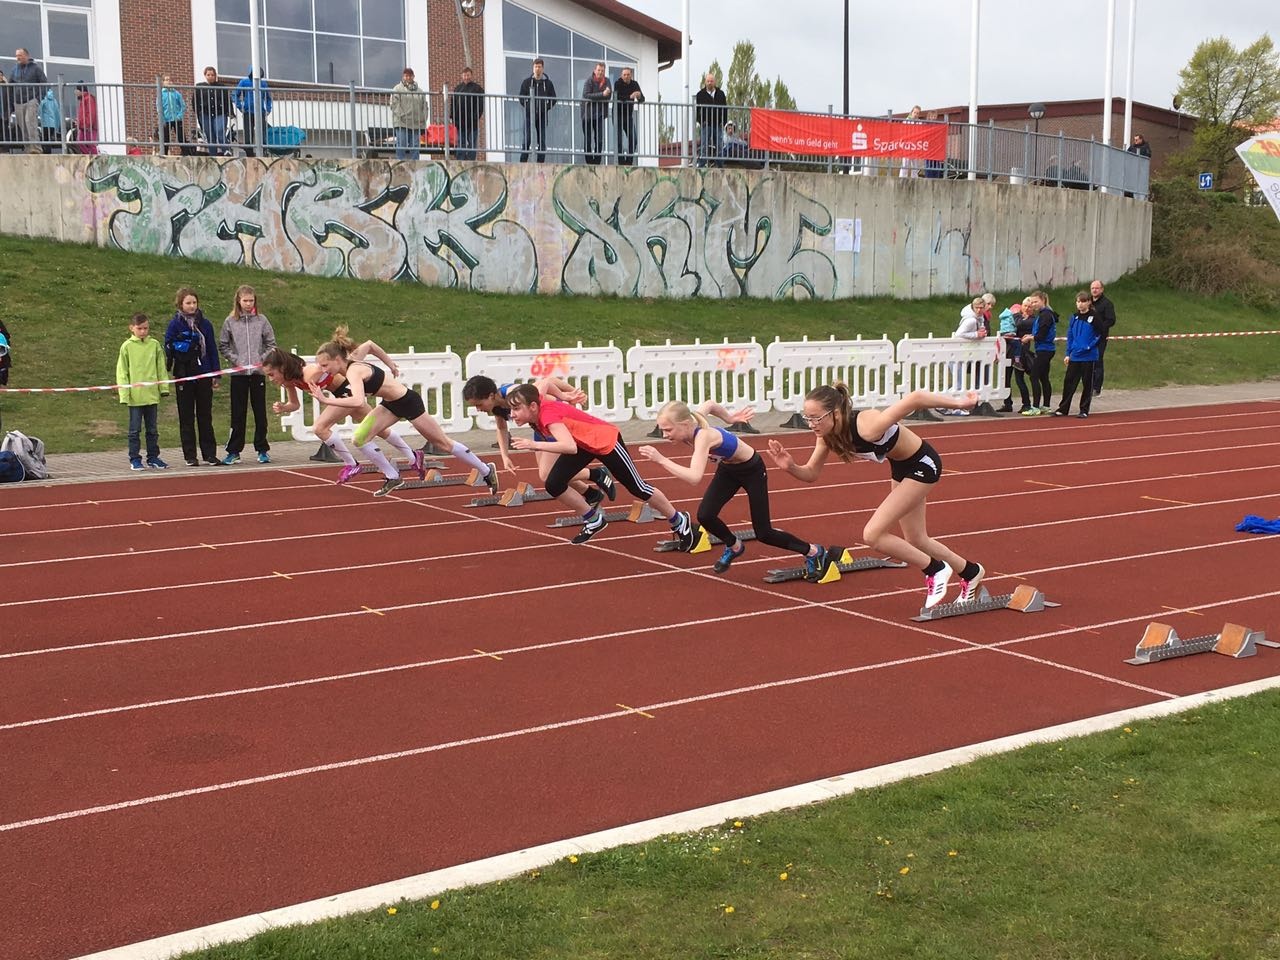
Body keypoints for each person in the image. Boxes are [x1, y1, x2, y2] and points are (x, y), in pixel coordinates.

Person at [766, 384, 986, 608]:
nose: (812, 424)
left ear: (835, 413)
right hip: (902, 469)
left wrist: (961, 403)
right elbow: (811, 473)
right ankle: (971, 572)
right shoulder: (827, 435)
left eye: (816, 418)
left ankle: (935, 569)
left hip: (923, 464)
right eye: (807, 418)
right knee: (917, 539)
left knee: (873, 534)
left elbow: (916, 398)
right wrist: (790, 466)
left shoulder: (867, 425)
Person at [639, 401, 829, 577]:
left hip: (752, 470)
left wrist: (661, 459)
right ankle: (734, 545)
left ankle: (813, 551)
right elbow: (710, 404)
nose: (664, 435)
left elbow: (694, 477)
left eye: (668, 430)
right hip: (728, 470)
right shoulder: (695, 417)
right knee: (705, 515)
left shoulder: (703, 436)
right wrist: (730, 419)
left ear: (685, 424)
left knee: (764, 533)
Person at [504, 383, 693, 547]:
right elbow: (545, 382)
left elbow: (568, 446)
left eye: (516, 409)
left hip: (605, 442)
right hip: (584, 444)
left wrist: (533, 444)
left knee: (638, 488)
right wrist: (565, 396)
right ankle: (593, 520)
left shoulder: (548, 417)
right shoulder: (535, 398)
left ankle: (679, 520)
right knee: (554, 483)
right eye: (510, 410)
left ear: (534, 406)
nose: (512, 415)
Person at [309, 336, 499, 498]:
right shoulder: (352, 360)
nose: (324, 370)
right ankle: (393, 477)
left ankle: (486, 470)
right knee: (359, 438)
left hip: (408, 402)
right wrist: (390, 364)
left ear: (337, 359)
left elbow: (358, 401)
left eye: (325, 365)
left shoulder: (353, 371)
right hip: (390, 405)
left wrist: (326, 401)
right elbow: (370, 345)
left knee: (443, 444)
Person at [262, 341, 421, 484]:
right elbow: (294, 405)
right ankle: (413, 457)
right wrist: (284, 407)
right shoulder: (289, 382)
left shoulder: (309, 372)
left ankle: (352, 464)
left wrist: (342, 360)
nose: (270, 379)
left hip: (349, 392)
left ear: (283, 368)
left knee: (320, 427)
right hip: (343, 394)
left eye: (271, 374)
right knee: (378, 428)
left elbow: (324, 366)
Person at [461, 374, 611, 504]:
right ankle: (591, 494)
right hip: (539, 429)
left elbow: (547, 381)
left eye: (479, 404)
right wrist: (505, 456)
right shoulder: (496, 407)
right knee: (547, 473)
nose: (478, 409)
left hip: (552, 424)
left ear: (491, 396)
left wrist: (567, 395)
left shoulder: (514, 393)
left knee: (547, 475)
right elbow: (501, 429)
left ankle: (596, 474)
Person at [218, 285, 276, 464]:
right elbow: (223, 345)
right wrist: (237, 360)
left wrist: (261, 359)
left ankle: (262, 449)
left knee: (260, 413)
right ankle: (234, 450)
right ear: (238, 301)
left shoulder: (262, 320)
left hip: (258, 373)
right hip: (239, 375)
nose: (249, 304)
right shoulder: (230, 321)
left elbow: (271, 344)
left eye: (251, 300)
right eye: (245, 301)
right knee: (238, 414)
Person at [164, 287, 222, 466]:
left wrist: (215, 373)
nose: (191, 306)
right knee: (186, 416)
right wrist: (182, 345)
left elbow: (212, 349)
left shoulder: (206, 324)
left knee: (205, 415)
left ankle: (210, 454)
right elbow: (168, 345)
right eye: (188, 303)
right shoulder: (175, 324)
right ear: (180, 304)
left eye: (194, 302)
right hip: (184, 374)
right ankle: (190, 455)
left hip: (203, 373)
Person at [116, 313, 169, 471]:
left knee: (152, 430)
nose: (143, 331)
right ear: (132, 328)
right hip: (135, 397)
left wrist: (163, 388)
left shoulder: (154, 345)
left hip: (151, 395)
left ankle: (153, 457)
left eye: (146, 328)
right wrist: (124, 394)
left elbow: (161, 367)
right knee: (134, 430)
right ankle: (135, 458)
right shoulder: (127, 346)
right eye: (140, 328)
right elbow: (122, 372)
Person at [1054, 291, 1101, 419]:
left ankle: (1084, 409)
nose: (1080, 304)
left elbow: (1099, 335)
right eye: (1078, 302)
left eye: (1083, 301)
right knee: (1069, 381)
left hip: (1088, 356)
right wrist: (1068, 353)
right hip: (1075, 355)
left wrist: (1088, 346)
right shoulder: (1074, 317)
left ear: (1088, 302)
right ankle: (1063, 408)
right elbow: (1070, 336)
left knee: (1087, 383)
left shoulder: (1094, 317)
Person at [1025, 290, 1058, 415]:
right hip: (1044, 348)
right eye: (1032, 302)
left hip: (1045, 349)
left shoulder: (1046, 315)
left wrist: (1030, 337)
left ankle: (1035, 406)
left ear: (1043, 301)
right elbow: (1039, 333)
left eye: (1036, 302)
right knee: (1044, 377)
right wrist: (1031, 335)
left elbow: (1042, 335)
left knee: (1034, 376)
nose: (1033, 304)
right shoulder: (1043, 314)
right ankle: (1046, 405)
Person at [10, 48, 47, 154]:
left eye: (20, 55)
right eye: (16, 55)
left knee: (30, 124)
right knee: (23, 126)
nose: (18, 57)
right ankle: (28, 149)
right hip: (18, 102)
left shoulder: (35, 68)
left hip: (31, 100)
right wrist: (12, 102)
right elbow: (10, 86)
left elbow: (44, 83)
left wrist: (38, 99)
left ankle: (36, 149)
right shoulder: (14, 70)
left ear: (26, 56)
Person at [518, 58, 555, 163]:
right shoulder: (527, 82)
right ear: (533, 68)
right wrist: (527, 105)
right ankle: (523, 162)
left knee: (541, 140)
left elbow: (554, 98)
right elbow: (521, 97)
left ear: (543, 68)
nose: (537, 69)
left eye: (539, 67)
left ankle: (540, 163)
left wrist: (546, 107)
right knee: (527, 139)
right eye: (535, 67)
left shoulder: (548, 83)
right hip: (529, 114)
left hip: (542, 115)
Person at [997, 301, 1030, 413]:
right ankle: (1007, 403)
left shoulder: (1029, 320)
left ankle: (1026, 404)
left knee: (1019, 379)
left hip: (1019, 354)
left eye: (1028, 306)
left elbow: (1019, 324)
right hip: (1009, 351)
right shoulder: (1016, 318)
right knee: (1006, 379)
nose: (1026, 308)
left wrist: (1016, 315)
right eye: (1025, 305)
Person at [194, 67, 233, 157]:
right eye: (208, 75)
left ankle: (226, 151)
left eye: (212, 75)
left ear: (215, 76)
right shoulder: (199, 86)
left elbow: (227, 99)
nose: (210, 77)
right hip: (205, 113)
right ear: (205, 75)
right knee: (210, 135)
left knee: (219, 131)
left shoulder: (221, 87)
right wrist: (198, 112)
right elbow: (195, 100)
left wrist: (230, 112)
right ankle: (213, 155)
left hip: (219, 112)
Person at [390, 67, 427, 161]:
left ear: (413, 76)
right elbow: (394, 104)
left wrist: (423, 118)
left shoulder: (420, 91)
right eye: (406, 76)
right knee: (401, 144)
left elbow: (425, 107)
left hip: (416, 123)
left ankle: (415, 164)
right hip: (402, 122)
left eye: (410, 76)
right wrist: (402, 115)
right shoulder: (397, 89)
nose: (408, 78)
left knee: (415, 145)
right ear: (403, 76)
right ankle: (400, 163)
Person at [234, 68, 272, 157]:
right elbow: (235, 94)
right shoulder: (244, 82)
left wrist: (268, 109)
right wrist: (240, 106)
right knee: (248, 137)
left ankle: (263, 154)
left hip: (260, 113)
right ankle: (250, 155)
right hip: (248, 112)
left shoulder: (263, 83)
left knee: (263, 136)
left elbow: (268, 98)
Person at [449, 66, 484, 160]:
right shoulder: (457, 89)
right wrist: (452, 116)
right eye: (464, 75)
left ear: (471, 76)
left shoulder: (477, 89)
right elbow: (453, 103)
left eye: (468, 75)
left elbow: (480, 104)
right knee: (461, 141)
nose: (466, 77)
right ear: (462, 76)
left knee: (472, 142)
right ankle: (461, 159)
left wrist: (476, 116)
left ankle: (471, 160)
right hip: (460, 121)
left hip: (472, 121)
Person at [1089, 279, 1116, 396]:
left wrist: (1100, 327)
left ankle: (1096, 387)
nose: (1094, 290)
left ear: (1102, 289)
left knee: (1098, 360)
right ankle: (1088, 385)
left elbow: (1111, 320)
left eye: (1097, 288)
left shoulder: (1107, 303)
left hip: (1100, 337)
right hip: (1087, 337)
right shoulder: (1088, 302)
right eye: (1092, 288)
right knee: (1088, 361)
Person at [580, 62, 610, 165]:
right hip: (587, 115)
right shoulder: (589, 81)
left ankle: (597, 162)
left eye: (602, 70)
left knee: (599, 140)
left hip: (600, 115)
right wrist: (602, 94)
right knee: (588, 140)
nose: (600, 72)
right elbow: (586, 95)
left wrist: (601, 95)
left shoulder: (607, 81)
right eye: (599, 70)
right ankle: (589, 162)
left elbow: (609, 96)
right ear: (594, 71)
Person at [694, 73, 727, 167]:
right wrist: (701, 121)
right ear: (705, 82)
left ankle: (720, 165)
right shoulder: (700, 95)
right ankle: (701, 165)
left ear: (715, 82)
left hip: (718, 124)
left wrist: (723, 122)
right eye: (708, 81)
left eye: (711, 81)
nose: (709, 83)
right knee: (704, 145)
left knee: (719, 145)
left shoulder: (721, 94)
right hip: (706, 124)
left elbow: (725, 109)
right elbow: (698, 110)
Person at [613, 66, 643, 165]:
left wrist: (639, 96)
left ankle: (629, 161)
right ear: (621, 76)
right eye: (624, 75)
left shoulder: (634, 84)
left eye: (628, 75)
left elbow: (642, 99)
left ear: (631, 75)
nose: (626, 77)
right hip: (618, 115)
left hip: (628, 116)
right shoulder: (618, 83)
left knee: (633, 139)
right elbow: (619, 97)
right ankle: (621, 162)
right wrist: (630, 96)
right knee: (619, 140)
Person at [159, 74, 190, 155]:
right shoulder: (161, 94)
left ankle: (186, 153)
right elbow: (159, 108)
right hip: (166, 119)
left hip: (177, 119)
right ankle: (164, 153)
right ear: (163, 82)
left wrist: (179, 116)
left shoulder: (176, 93)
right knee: (166, 137)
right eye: (166, 80)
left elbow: (183, 106)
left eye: (170, 80)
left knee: (181, 136)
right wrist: (163, 119)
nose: (169, 81)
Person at [899, 105, 923, 178]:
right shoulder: (906, 121)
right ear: (911, 112)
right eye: (915, 112)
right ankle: (902, 179)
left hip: (915, 145)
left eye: (917, 113)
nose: (916, 114)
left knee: (915, 165)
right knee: (905, 164)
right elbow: (902, 133)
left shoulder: (920, 123)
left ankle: (914, 179)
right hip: (907, 145)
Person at [73, 85, 98, 154]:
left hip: (89, 127)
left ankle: (94, 158)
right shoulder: (83, 99)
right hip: (84, 126)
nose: (75, 92)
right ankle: (88, 156)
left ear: (81, 90)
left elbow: (91, 113)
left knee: (90, 144)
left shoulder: (88, 99)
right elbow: (84, 114)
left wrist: (87, 124)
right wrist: (79, 121)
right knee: (80, 141)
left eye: (76, 90)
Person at [38, 87, 61, 154]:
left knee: (45, 139)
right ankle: (49, 152)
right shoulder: (54, 100)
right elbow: (57, 113)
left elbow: (39, 110)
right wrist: (57, 125)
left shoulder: (43, 99)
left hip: (45, 123)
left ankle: (46, 153)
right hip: (52, 124)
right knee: (49, 139)